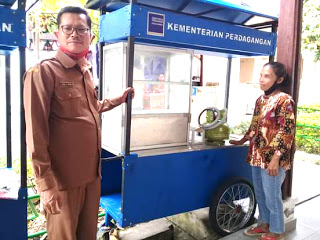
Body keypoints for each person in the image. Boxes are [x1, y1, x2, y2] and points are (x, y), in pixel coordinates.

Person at [24, 6, 134, 240]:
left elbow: (89, 109)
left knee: (87, 235)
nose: (75, 34)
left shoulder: (84, 70)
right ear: (57, 35)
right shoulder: (43, 73)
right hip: (63, 183)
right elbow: (35, 135)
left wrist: (118, 100)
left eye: (81, 29)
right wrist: (46, 186)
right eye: (68, 28)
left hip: (92, 178)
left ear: (90, 37)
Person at [229, 62, 295, 240]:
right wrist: (242, 140)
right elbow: (255, 125)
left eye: (267, 76)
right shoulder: (260, 100)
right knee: (260, 192)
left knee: (272, 196)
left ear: (279, 79)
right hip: (256, 155)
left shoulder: (284, 100)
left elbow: (287, 132)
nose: (261, 80)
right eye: (260, 75)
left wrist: (276, 159)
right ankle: (264, 224)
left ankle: (277, 231)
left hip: (274, 159)